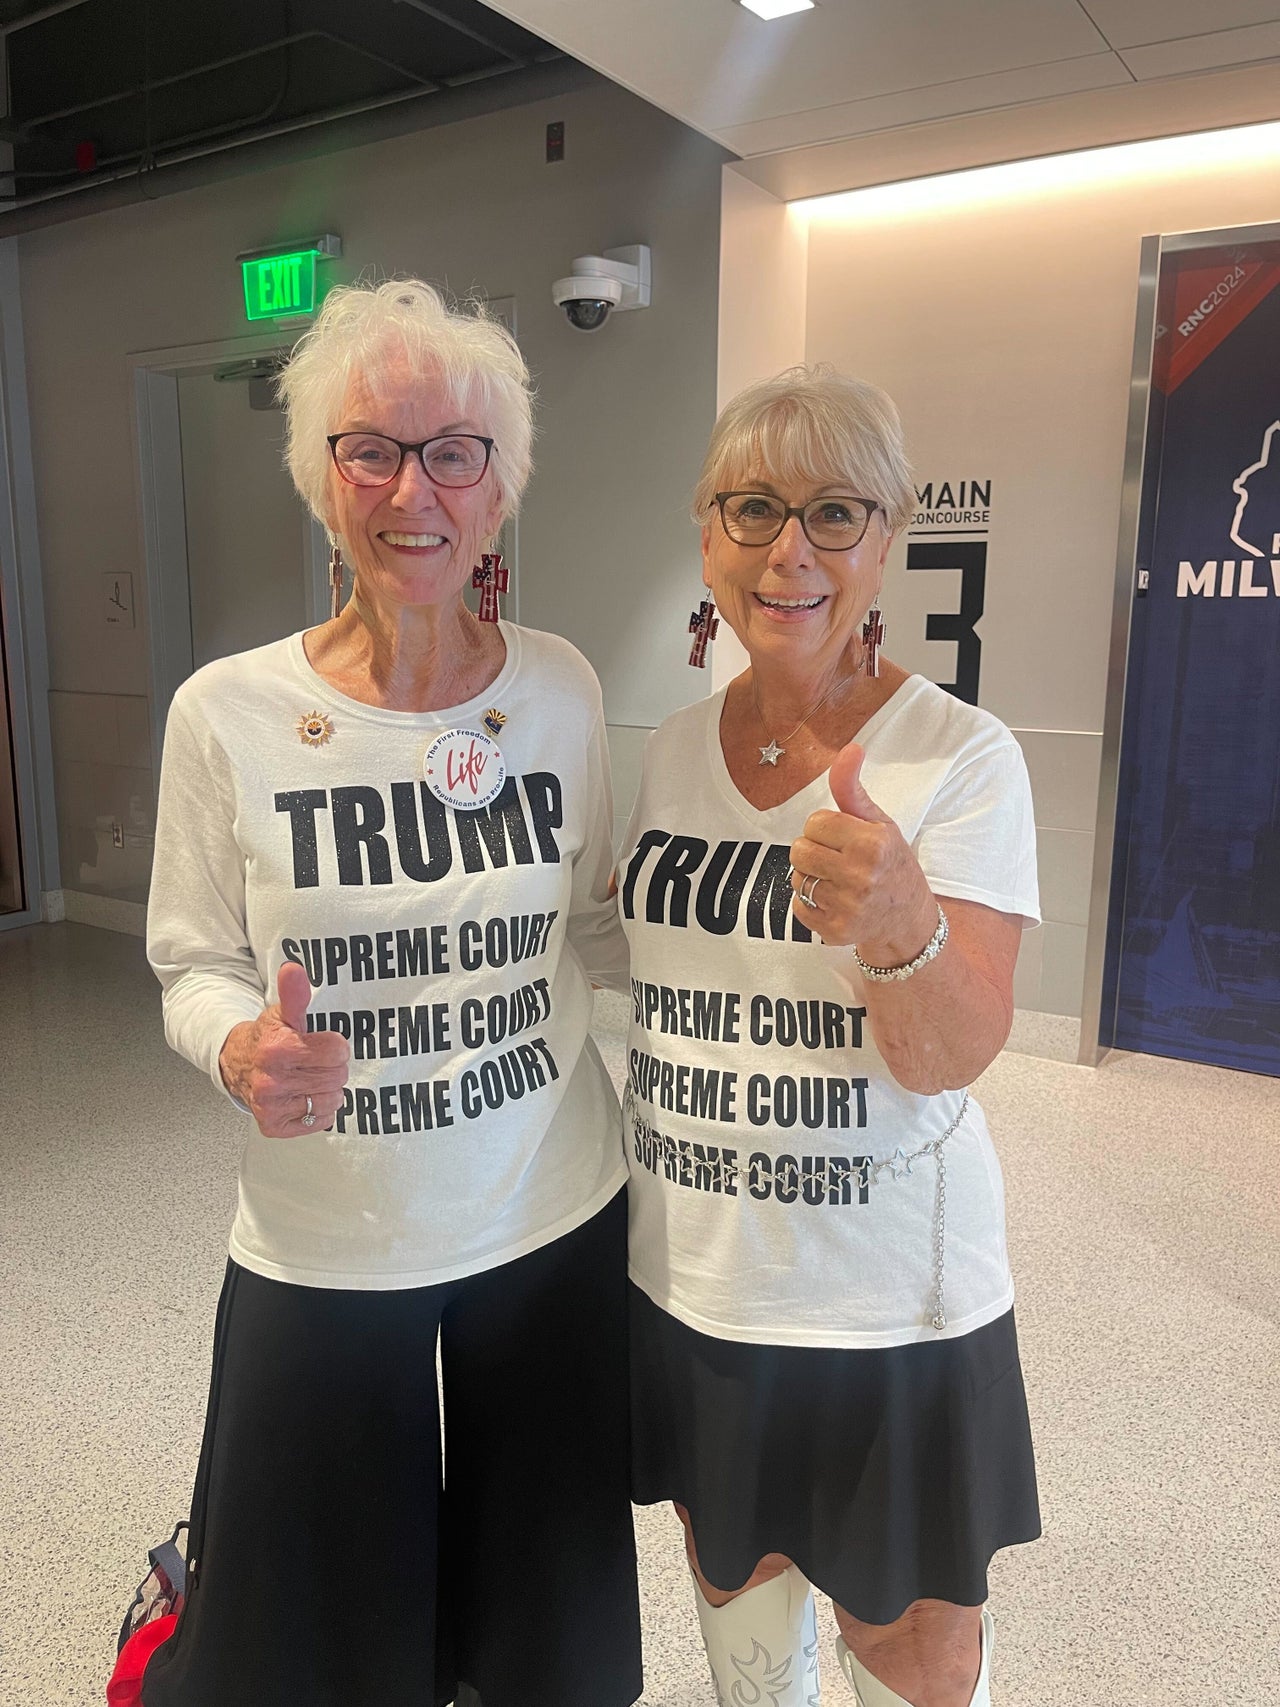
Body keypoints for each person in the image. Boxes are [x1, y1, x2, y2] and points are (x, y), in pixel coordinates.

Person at [139, 280, 642, 1707]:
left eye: (453, 453)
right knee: (315, 1655)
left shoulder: (558, 690)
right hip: (321, 1246)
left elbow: (599, 929)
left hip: (549, 1220)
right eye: (372, 449)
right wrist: (239, 1048)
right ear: (322, 482)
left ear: (500, 490)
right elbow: (189, 959)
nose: (413, 488)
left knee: (547, 1647)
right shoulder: (223, 713)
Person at [617, 366, 1041, 1707]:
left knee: (905, 1639)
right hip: (698, 1276)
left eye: (834, 512)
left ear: (889, 537)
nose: (788, 547)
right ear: (706, 535)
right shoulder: (670, 750)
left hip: (885, 1304)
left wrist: (905, 921)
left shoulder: (962, 757)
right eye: (752, 508)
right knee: (734, 1576)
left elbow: (951, 1050)